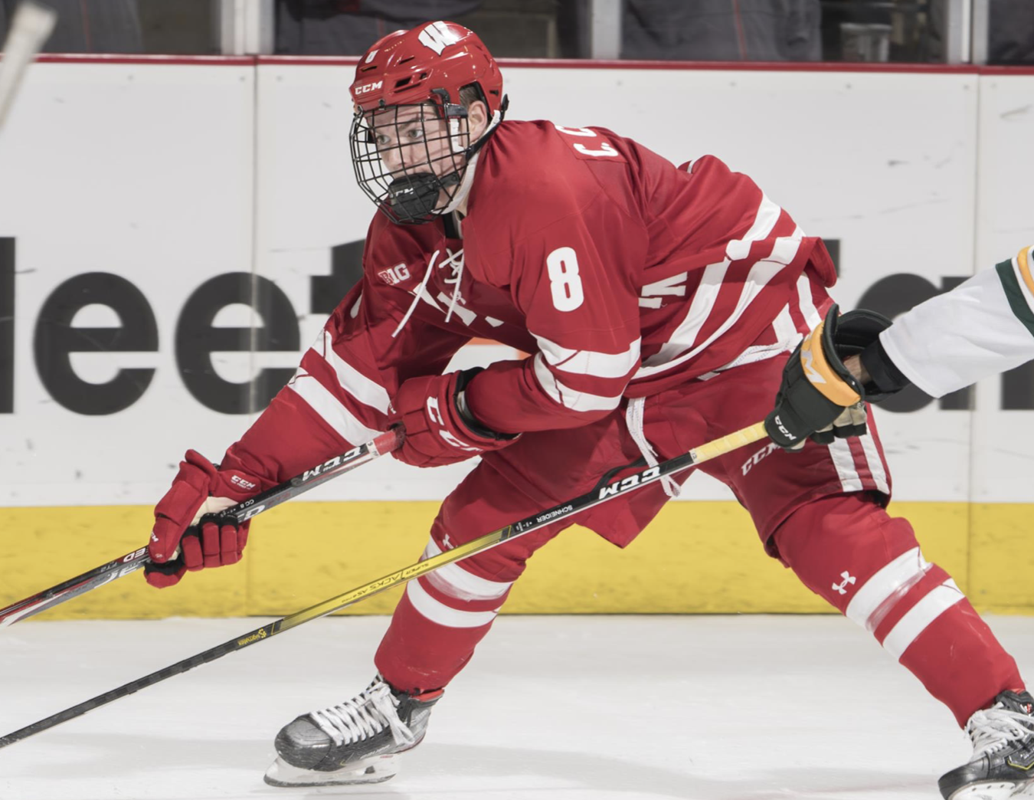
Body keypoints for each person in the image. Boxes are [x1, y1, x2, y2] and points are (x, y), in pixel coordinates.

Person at [142, 22, 1032, 799]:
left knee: (822, 524)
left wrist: (460, 411)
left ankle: (1007, 719)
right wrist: (236, 482)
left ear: (474, 117)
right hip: (626, 366)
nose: (397, 149)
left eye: (418, 127)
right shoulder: (411, 232)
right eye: (381, 127)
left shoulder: (543, 190)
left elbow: (583, 386)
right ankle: (395, 708)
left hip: (747, 344)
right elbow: (355, 373)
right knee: (482, 521)